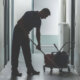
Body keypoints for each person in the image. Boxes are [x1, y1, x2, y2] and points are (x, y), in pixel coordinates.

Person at [11, 8, 51, 77]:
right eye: (45, 16)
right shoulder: (29, 13)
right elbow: (19, 22)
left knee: (27, 52)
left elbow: (38, 32)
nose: (45, 18)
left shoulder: (39, 21)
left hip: (25, 34)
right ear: (42, 12)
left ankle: (30, 70)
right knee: (15, 51)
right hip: (18, 31)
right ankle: (14, 70)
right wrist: (25, 31)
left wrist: (39, 44)